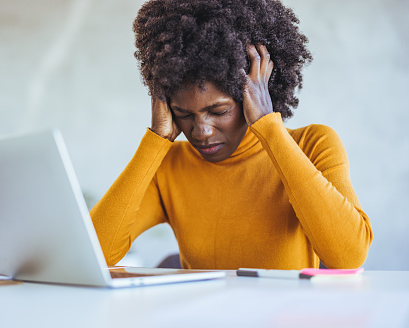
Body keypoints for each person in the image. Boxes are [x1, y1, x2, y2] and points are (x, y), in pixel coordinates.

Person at [90, 0, 373, 270]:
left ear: (256, 94)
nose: (201, 131)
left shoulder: (312, 146)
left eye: (219, 110)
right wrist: (156, 139)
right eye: (184, 114)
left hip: (283, 320)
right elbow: (95, 254)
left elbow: (348, 256)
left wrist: (268, 127)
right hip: (199, 321)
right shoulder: (169, 166)